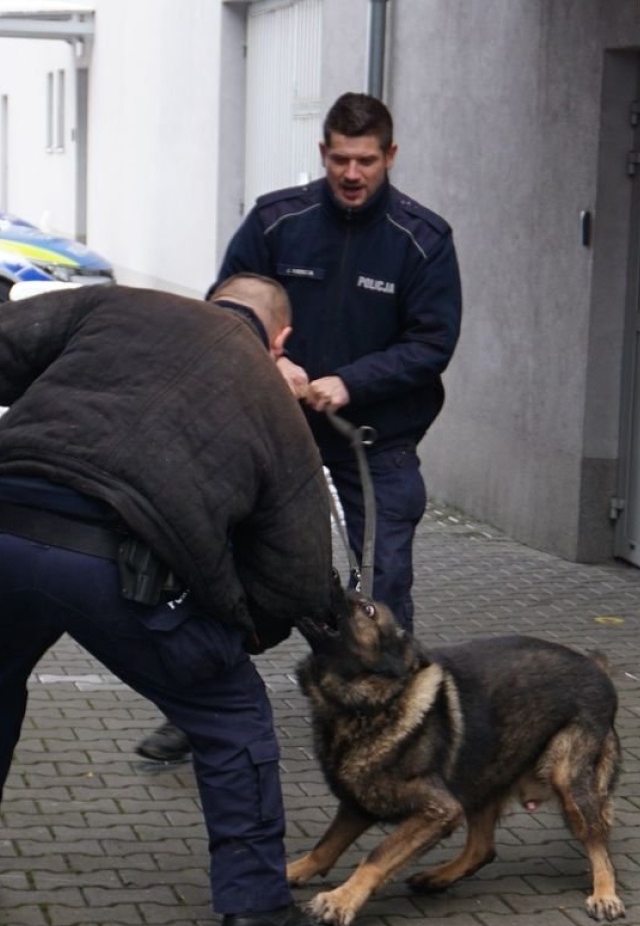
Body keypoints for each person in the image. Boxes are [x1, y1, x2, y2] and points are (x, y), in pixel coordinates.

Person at [0, 275, 337, 926]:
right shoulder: (273, 398)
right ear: (281, 339)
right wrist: (249, 629)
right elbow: (300, 564)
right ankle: (255, 909)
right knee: (231, 713)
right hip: (119, 572)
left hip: (5, 537)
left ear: (207, 301)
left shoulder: (118, 304)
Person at [135, 91, 463, 766]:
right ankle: (198, 711)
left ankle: (387, 724)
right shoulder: (276, 220)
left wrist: (352, 382)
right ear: (322, 153)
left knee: (382, 580)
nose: (352, 173)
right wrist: (273, 359)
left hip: (374, 440)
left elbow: (432, 342)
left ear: (390, 156)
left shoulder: (422, 240)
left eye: (366, 160)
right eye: (340, 159)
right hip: (271, 430)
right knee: (218, 564)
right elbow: (227, 307)